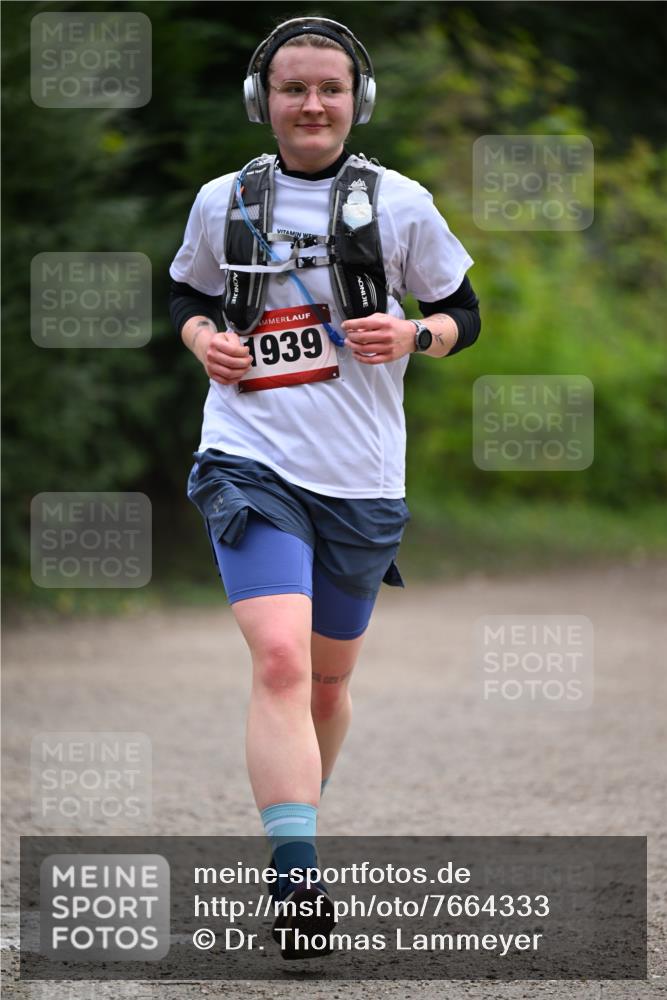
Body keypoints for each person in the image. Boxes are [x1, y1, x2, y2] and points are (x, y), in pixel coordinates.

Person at [168, 16, 480, 960]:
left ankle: (297, 807)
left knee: (328, 683)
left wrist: (415, 335)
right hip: (248, 456)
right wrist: (203, 340)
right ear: (263, 100)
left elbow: (461, 311)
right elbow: (189, 295)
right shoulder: (224, 200)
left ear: (357, 99)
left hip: (358, 478)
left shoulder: (400, 203)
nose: (311, 104)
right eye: (293, 88)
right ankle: (297, 882)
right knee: (279, 661)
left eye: (329, 88)